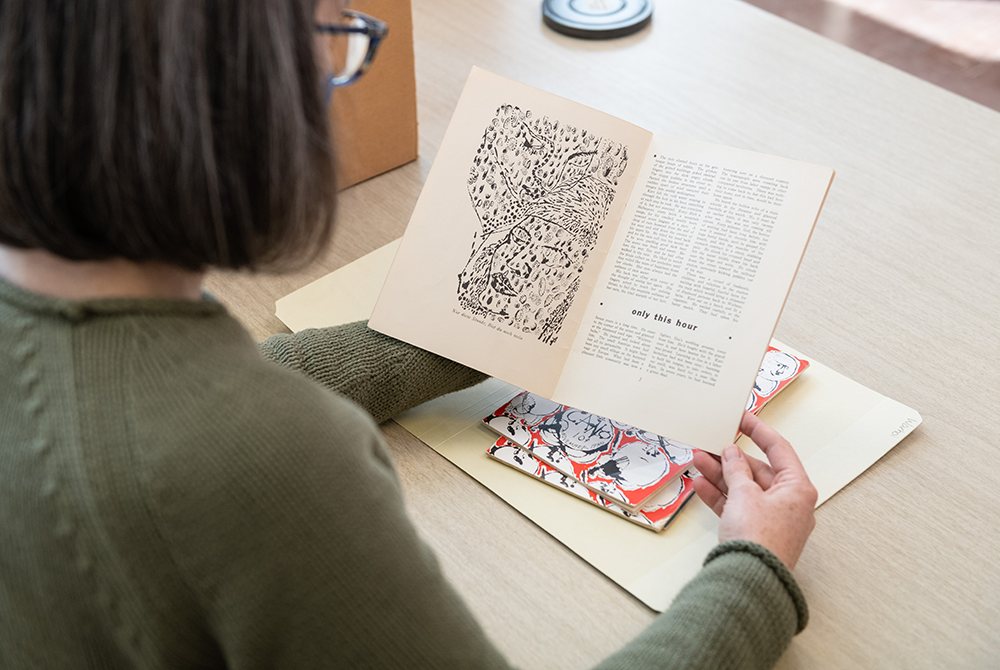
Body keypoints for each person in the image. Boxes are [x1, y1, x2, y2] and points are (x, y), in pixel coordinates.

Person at [0, 0, 818, 668]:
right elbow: (215, 447)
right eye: (326, 40)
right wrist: (757, 571)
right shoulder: (274, 466)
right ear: (237, 105)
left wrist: (466, 333)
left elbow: (145, 399)